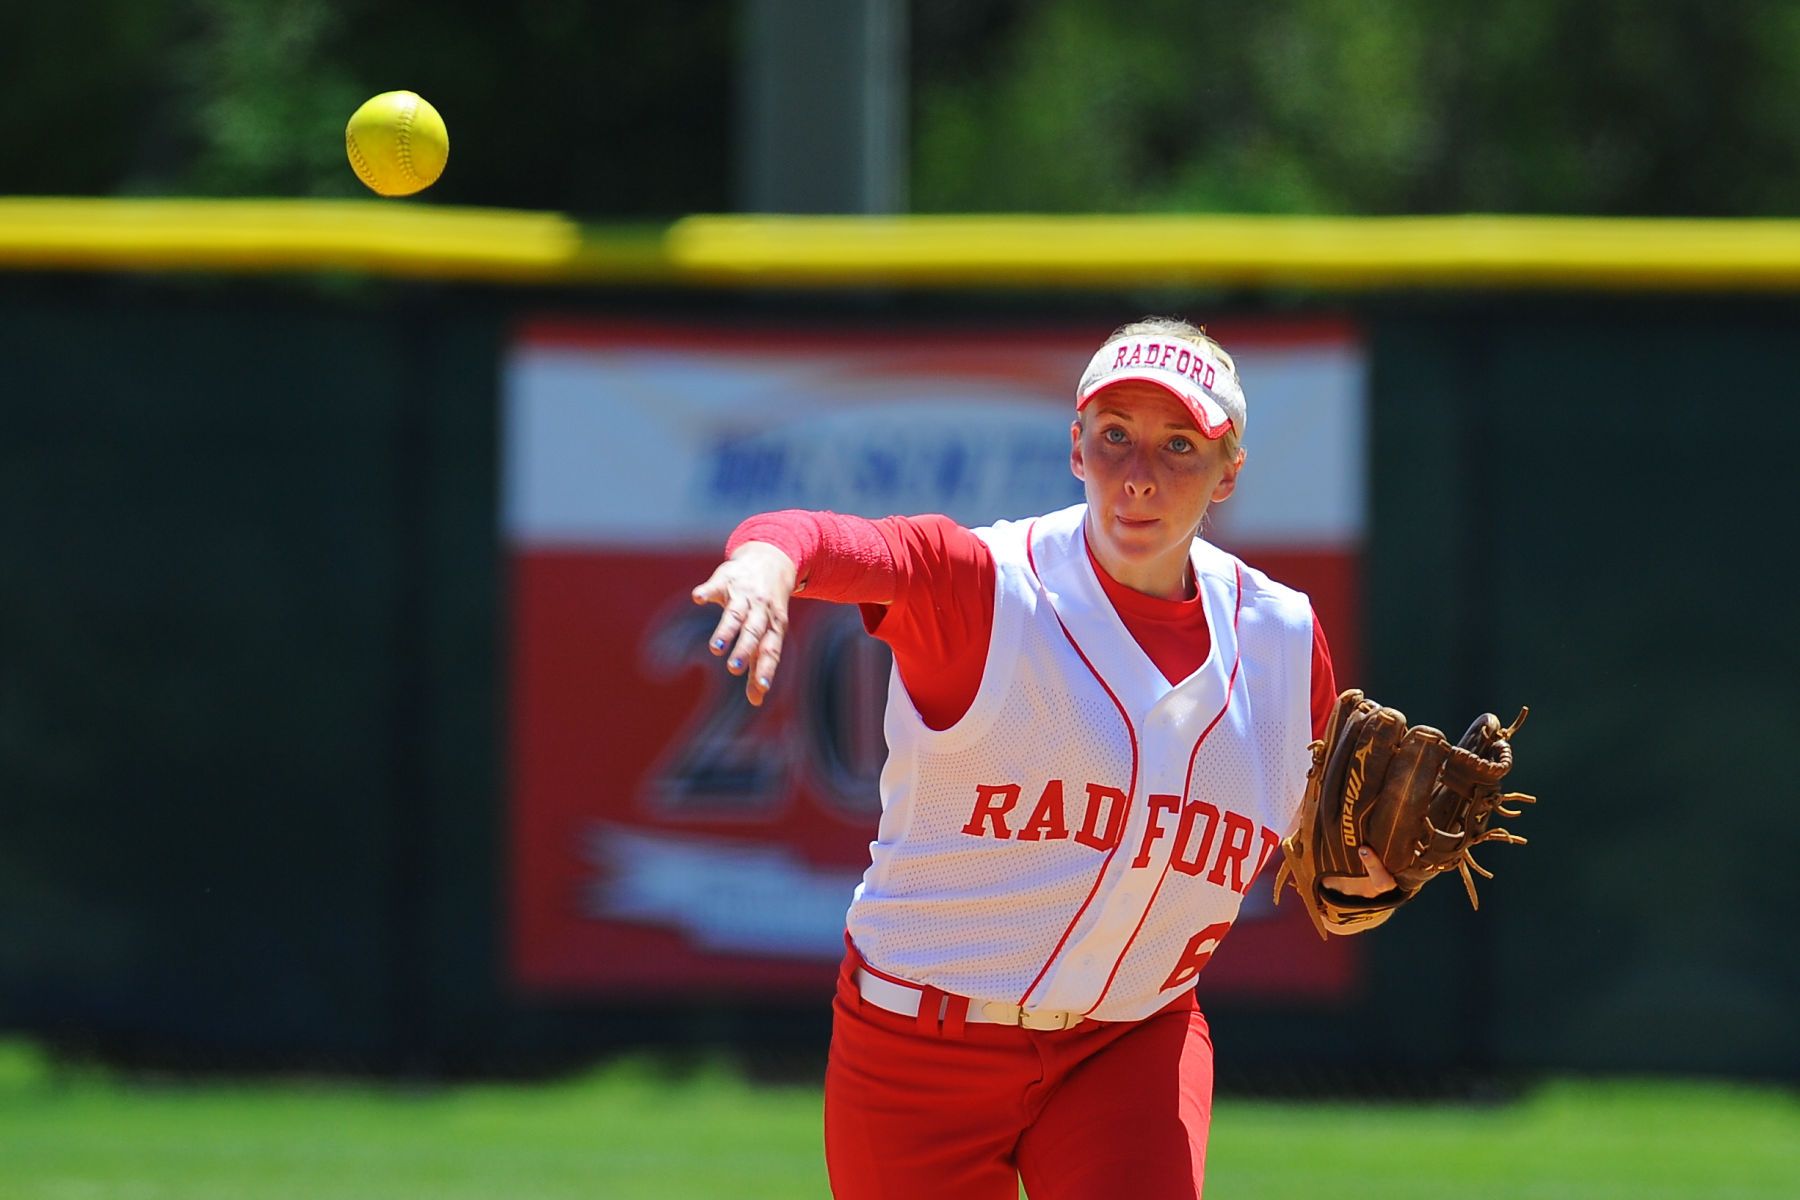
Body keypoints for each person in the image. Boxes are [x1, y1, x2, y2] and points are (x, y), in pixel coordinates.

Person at [690, 317, 1397, 1199]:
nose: (1139, 475)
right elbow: (828, 538)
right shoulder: (986, 588)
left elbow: (1321, 840)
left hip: (1132, 1037)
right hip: (919, 1046)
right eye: (1115, 438)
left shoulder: (1284, 641)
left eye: (1179, 445)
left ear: (1229, 473)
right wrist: (763, 563)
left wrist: (1356, 880)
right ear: (1075, 447)